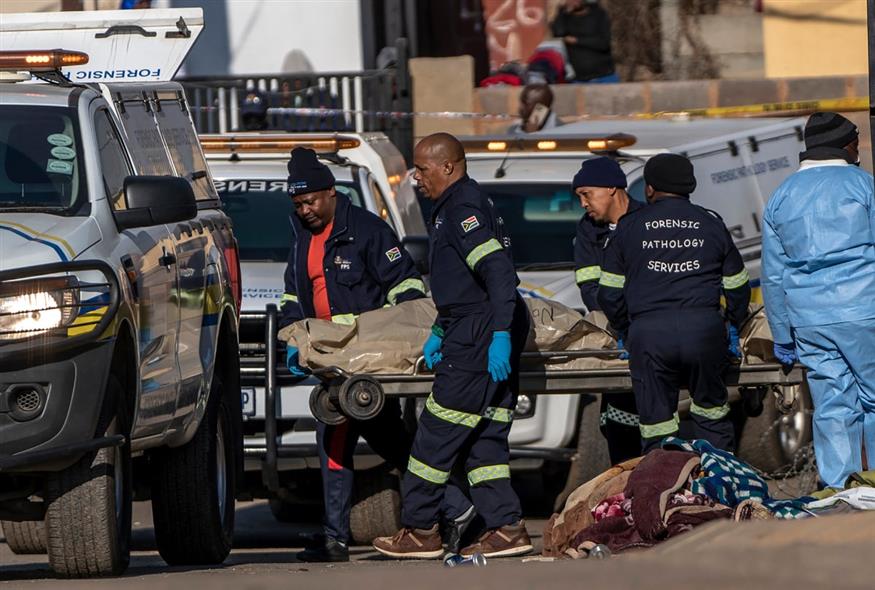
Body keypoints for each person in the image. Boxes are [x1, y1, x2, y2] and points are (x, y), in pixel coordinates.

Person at [279, 148, 473, 561]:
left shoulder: (368, 231)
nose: (305, 210)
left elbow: (405, 288)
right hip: (330, 363)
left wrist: (394, 337)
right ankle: (338, 536)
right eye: (298, 204)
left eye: (311, 201)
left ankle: (456, 509)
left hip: (369, 361)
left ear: (331, 193)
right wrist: (295, 338)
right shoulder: (300, 236)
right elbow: (294, 294)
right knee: (347, 442)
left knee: (387, 443)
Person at [373, 133, 533, 559]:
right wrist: (442, 329)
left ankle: (421, 529)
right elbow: (464, 283)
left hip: (479, 333)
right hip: (473, 327)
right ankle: (506, 528)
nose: (416, 178)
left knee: (435, 436)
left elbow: (498, 273)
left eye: (422, 169)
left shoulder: (463, 209)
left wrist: (496, 333)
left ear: (448, 166)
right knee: (484, 439)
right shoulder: (455, 207)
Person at [597, 153, 751, 453]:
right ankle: (720, 484)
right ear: (689, 186)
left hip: (650, 335)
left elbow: (609, 293)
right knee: (712, 413)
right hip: (704, 332)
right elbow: (737, 285)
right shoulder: (711, 223)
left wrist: (625, 330)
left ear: (650, 188)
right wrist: (733, 324)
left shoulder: (629, 227)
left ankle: (662, 488)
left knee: (657, 425)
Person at [761, 112, 875, 490]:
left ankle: (839, 488)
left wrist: (782, 333)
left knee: (831, 404)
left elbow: (774, 274)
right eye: (856, 143)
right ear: (846, 145)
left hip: (808, 319)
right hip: (864, 309)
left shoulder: (781, 196)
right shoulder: (863, 185)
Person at [572, 157, 644, 464]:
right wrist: (619, 322)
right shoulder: (588, 230)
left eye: (587, 194)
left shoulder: (647, 219)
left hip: (652, 334)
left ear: (613, 189)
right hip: (617, 337)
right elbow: (590, 289)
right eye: (579, 197)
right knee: (617, 424)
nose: (584, 203)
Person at [550, 0, 618, 84]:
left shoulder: (598, 14)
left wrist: (577, 41)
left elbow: (603, 44)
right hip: (579, 79)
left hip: (604, 76)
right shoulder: (565, 17)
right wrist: (562, 12)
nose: (573, 2)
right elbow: (558, 33)